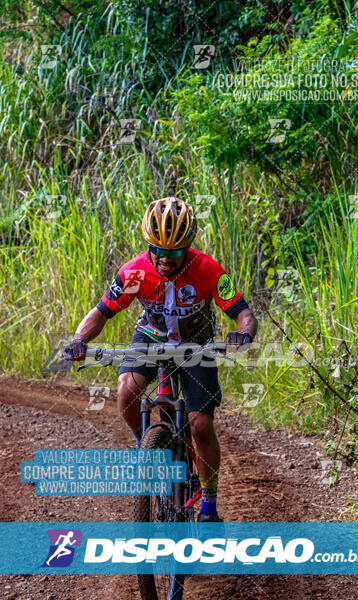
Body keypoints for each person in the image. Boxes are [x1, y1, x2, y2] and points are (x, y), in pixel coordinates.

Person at [63, 197, 257, 522]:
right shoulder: (134, 272)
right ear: (148, 245)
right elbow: (101, 313)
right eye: (159, 250)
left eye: (175, 251)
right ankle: (146, 445)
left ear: (188, 247)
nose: (165, 258)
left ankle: (208, 503)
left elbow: (242, 312)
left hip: (197, 346)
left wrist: (243, 334)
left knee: (200, 423)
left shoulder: (207, 269)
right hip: (150, 337)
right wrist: (79, 339)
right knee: (126, 389)